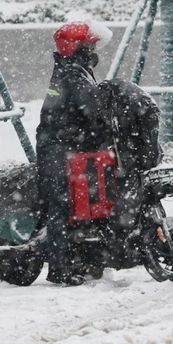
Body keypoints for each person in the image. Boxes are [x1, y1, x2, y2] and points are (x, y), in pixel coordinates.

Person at [35, 20, 114, 285]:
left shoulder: (73, 70)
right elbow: (93, 108)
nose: (93, 51)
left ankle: (85, 258)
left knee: (78, 204)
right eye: (89, 46)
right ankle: (60, 269)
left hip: (63, 148)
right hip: (58, 151)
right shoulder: (72, 74)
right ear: (76, 48)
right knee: (63, 206)